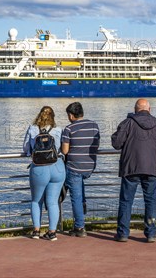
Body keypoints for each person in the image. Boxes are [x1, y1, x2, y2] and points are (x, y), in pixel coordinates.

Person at [111, 99, 156, 243]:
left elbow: (116, 144)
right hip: (152, 167)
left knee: (126, 201)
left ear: (135, 109)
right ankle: (151, 233)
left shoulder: (128, 123)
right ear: (149, 109)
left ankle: (123, 233)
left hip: (131, 167)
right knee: (151, 200)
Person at [23, 106, 65, 241]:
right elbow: (63, 150)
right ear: (53, 117)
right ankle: (52, 232)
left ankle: (36, 231)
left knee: (36, 200)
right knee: (52, 202)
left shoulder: (32, 129)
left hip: (39, 169)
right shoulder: (58, 130)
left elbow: (25, 149)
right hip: (57, 167)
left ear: (39, 115)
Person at [61, 102, 100, 238]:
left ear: (71, 115)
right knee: (80, 191)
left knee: (75, 197)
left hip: (74, 167)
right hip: (89, 166)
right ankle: (82, 212)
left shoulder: (68, 129)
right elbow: (96, 144)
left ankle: (79, 227)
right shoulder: (94, 125)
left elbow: (65, 151)